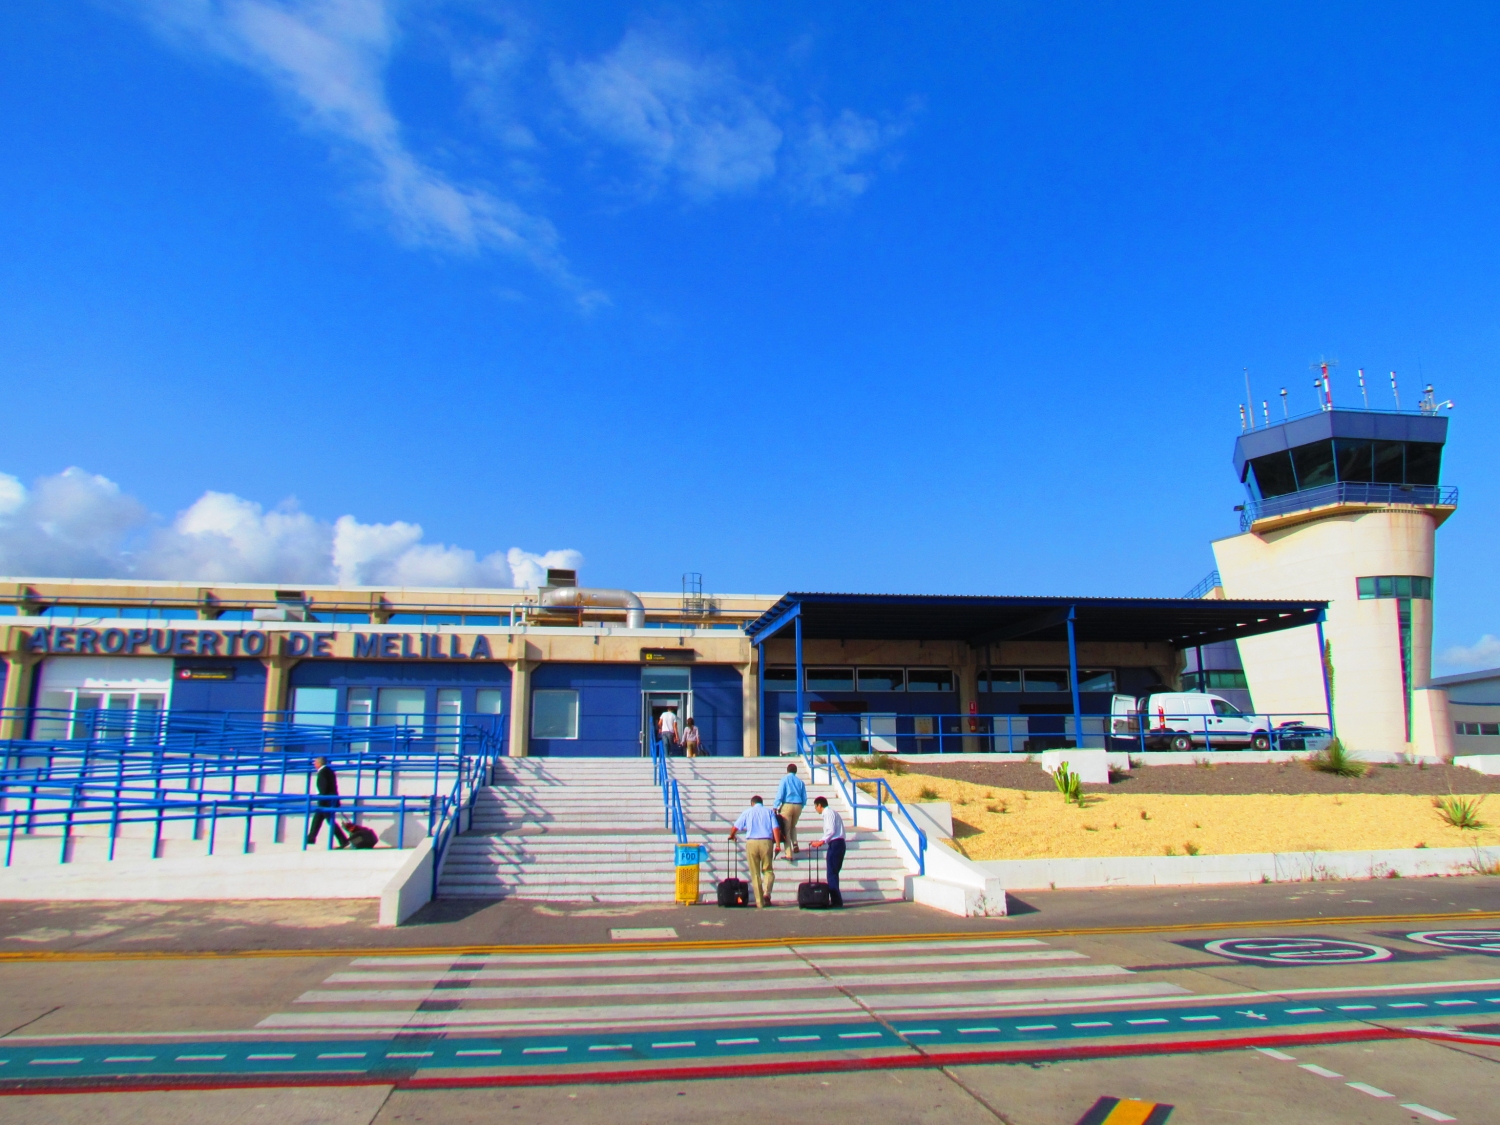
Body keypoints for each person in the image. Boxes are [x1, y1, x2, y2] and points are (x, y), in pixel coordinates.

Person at [727, 794, 781, 907]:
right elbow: (775, 828)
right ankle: (767, 893)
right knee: (768, 870)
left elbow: (736, 826)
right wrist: (777, 844)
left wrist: (732, 835)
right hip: (766, 841)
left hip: (751, 842)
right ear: (762, 803)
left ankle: (759, 902)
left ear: (752, 803)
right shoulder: (769, 812)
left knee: (755, 873)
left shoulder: (747, 812)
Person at [808, 796, 845, 908]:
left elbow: (831, 830)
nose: (816, 809)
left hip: (835, 843)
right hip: (839, 843)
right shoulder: (833, 813)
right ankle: (836, 898)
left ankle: (836, 900)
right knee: (834, 872)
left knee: (831, 873)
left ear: (820, 805)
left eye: (816, 807)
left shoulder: (828, 813)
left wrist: (821, 841)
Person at [307, 756, 349, 848]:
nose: (314, 764)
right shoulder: (329, 771)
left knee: (330, 821)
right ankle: (311, 838)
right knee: (317, 819)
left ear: (319, 763)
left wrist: (321, 798)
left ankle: (343, 840)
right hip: (329, 800)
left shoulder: (323, 772)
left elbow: (324, 788)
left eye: (315, 762)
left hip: (325, 801)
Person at [774, 762, 807, 858]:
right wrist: (801, 805)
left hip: (787, 805)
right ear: (796, 771)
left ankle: (788, 854)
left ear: (787, 770)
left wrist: (775, 806)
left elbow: (780, 794)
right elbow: (804, 797)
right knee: (793, 825)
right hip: (798, 805)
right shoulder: (800, 782)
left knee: (786, 829)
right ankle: (795, 843)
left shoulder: (785, 780)